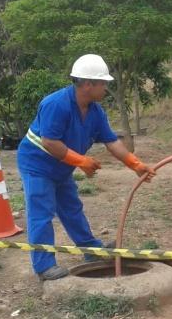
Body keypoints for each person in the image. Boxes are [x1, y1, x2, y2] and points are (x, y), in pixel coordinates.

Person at [17, 54, 156, 280]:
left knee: (71, 207)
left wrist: (136, 165)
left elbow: (112, 142)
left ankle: (90, 249)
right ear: (88, 84)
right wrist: (81, 161)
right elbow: (49, 142)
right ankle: (44, 266)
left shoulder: (95, 111)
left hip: (62, 166)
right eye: (103, 83)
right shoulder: (56, 104)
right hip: (37, 165)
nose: (106, 88)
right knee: (42, 212)